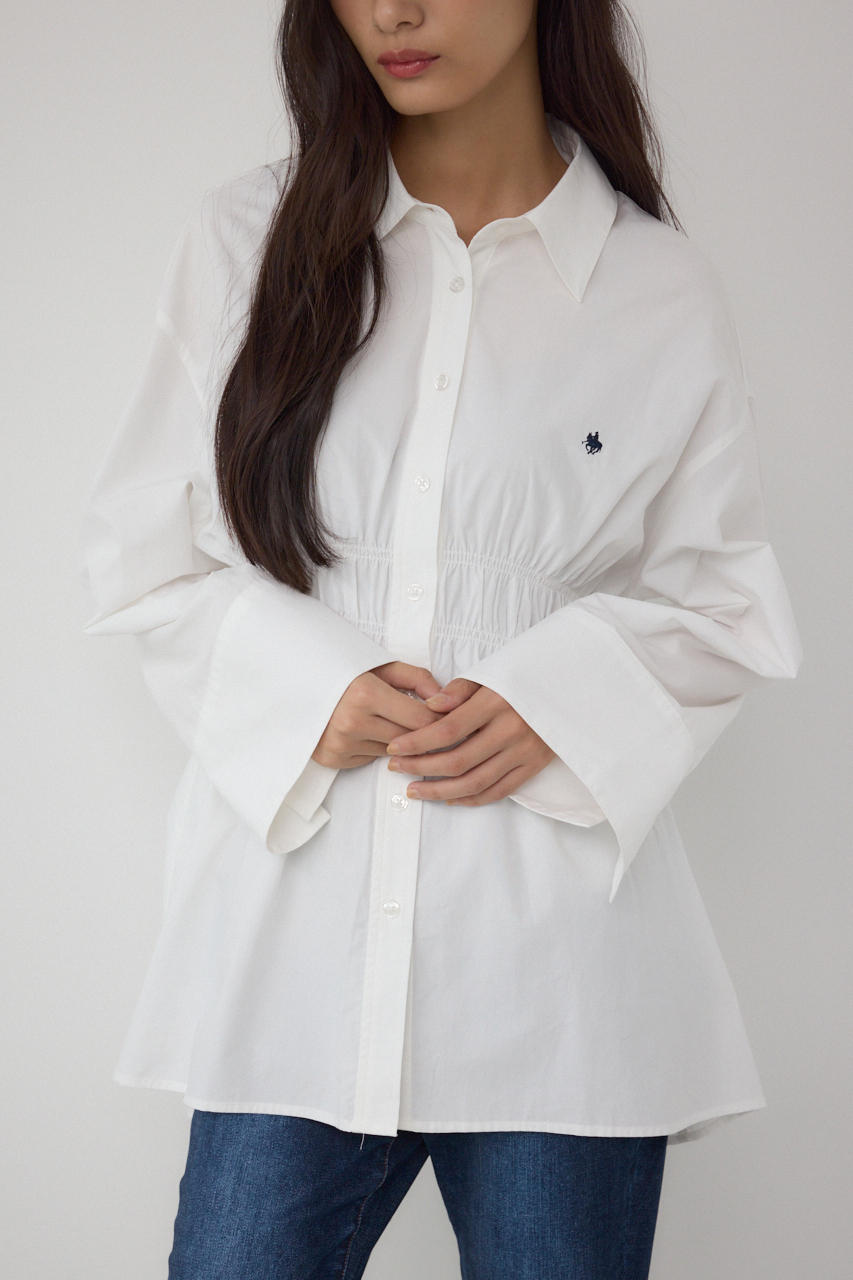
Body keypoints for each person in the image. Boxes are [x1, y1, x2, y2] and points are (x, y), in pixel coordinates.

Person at [83, 1, 802, 1276]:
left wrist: (561, 698)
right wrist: (315, 684)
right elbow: (144, 555)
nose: (392, 13)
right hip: (293, 972)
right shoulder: (246, 241)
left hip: (560, 981)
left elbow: (725, 604)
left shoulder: (658, 289)